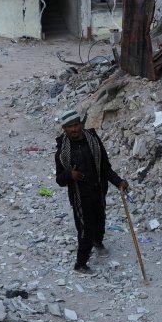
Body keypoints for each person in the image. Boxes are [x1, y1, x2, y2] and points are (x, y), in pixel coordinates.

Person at [54, 110, 128, 274]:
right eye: (69, 127)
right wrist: (69, 175)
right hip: (80, 196)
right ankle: (80, 264)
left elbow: (105, 167)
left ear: (81, 124)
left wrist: (119, 182)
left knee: (100, 220)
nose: (74, 129)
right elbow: (59, 180)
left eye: (76, 125)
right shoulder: (62, 153)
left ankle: (98, 242)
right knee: (84, 229)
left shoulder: (93, 140)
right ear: (64, 129)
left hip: (98, 190)